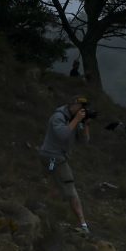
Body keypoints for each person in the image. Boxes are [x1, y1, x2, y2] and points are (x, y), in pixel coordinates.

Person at [38, 95, 91, 234]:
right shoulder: (58, 117)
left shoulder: (74, 119)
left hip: (52, 159)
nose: (82, 110)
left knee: (54, 182)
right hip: (53, 158)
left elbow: (84, 141)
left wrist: (85, 124)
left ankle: (41, 208)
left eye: (84, 108)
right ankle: (83, 225)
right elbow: (62, 135)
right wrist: (76, 120)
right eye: (80, 107)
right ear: (72, 105)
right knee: (70, 188)